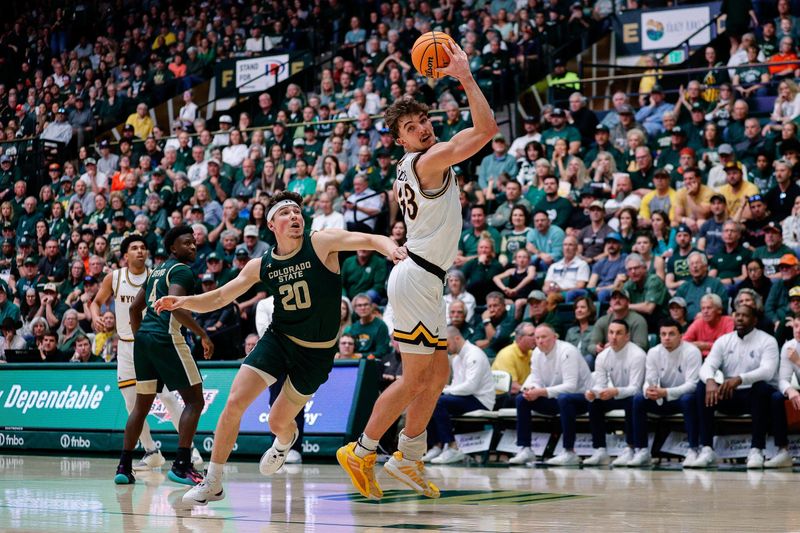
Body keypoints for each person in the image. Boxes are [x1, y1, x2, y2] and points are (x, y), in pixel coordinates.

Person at [155, 192, 403, 504]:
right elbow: (220, 297)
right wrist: (183, 301)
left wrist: (391, 248)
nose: (294, 217)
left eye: (297, 211)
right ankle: (214, 481)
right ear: (272, 224)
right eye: (285, 213)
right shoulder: (262, 265)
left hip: (315, 354)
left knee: (277, 423)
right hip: (279, 338)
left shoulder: (321, 243)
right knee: (234, 401)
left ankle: (285, 442)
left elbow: (368, 239)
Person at [338, 41, 498, 501]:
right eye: (411, 127)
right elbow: (486, 129)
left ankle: (409, 455)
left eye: (425, 120)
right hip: (416, 278)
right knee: (414, 378)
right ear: (400, 140)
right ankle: (363, 450)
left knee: (439, 372)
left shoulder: (413, 164)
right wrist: (465, 75)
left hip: (426, 278)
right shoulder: (428, 162)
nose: (423, 129)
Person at [114, 226, 214, 486]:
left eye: (194, 243)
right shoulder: (182, 270)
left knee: (141, 406)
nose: (192, 247)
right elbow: (175, 305)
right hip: (167, 338)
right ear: (173, 248)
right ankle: (182, 465)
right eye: (186, 243)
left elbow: (135, 310)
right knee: (195, 401)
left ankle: (124, 467)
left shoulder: (156, 271)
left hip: (144, 340)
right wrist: (202, 334)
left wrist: (143, 339)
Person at [91, 235, 197, 471]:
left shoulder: (156, 274)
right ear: (125, 254)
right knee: (132, 404)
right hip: (126, 346)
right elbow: (95, 302)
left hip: (151, 342)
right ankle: (151, 451)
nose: (140, 251)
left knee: (168, 397)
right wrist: (95, 316)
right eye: (134, 248)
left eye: (143, 248)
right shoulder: (115, 277)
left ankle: (190, 449)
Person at [691, 304, 779, 469]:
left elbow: (768, 371)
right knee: (702, 387)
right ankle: (707, 449)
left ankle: (756, 449)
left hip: (752, 395)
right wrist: (710, 380)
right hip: (728, 393)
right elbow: (707, 365)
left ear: (754, 320)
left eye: (744, 315)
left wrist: (740, 379)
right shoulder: (724, 340)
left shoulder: (767, 340)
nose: (739, 318)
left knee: (762, 388)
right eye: (737, 315)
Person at [509, 323, 592, 466]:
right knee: (522, 399)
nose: (540, 341)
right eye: (537, 338)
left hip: (582, 399)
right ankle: (526, 449)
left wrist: (540, 392)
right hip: (556, 398)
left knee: (565, 399)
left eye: (544, 337)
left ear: (554, 337)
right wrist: (531, 390)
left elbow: (571, 387)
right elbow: (536, 380)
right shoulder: (536, 353)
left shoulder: (567, 351)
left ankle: (569, 451)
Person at [627, 319, 701, 467]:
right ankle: (641, 450)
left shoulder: (692, 352)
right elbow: (649, 380)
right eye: (663, 334)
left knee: (688, 399)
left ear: (681, 335)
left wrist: (666, 392)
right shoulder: (654, 352)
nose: (667, 337)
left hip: (681, 399)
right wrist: (648, 390)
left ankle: (694, 450)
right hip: (662, 398)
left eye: (671, 334)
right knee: (638, 399)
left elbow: (692, 385)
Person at [422, 326, 495, 465]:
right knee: (429, 399)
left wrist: (445, 391)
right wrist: (442, 389)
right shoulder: (456, 359)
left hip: (481, 400)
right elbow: (457, 386)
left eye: (447, 344)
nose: (446, 348)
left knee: (439, 401)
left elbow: (470, 387)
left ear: (457, 338)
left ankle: (451, 446)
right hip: (468, 397)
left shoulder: (474, 354)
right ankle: (437, 445)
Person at [581, 319, 646, 466]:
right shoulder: (602, 356)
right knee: (594, 402)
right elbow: (600, 384)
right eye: (611, 332)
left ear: (627, 336)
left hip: (637, 397)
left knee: (633, 400)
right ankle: (600, 450)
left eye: (618, 333)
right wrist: (593, 393)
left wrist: (615, 391)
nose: (614, 337)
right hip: (615, 394)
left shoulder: (637, 355)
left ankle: (631, 449)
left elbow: (635, 388)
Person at [765, 313, 800, 468]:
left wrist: (798, 361)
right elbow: (782, 379)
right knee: (777, 397)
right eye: (796, 326)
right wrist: (790, 390)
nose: (798, 331)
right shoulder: (789, 346)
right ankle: (782, 451)